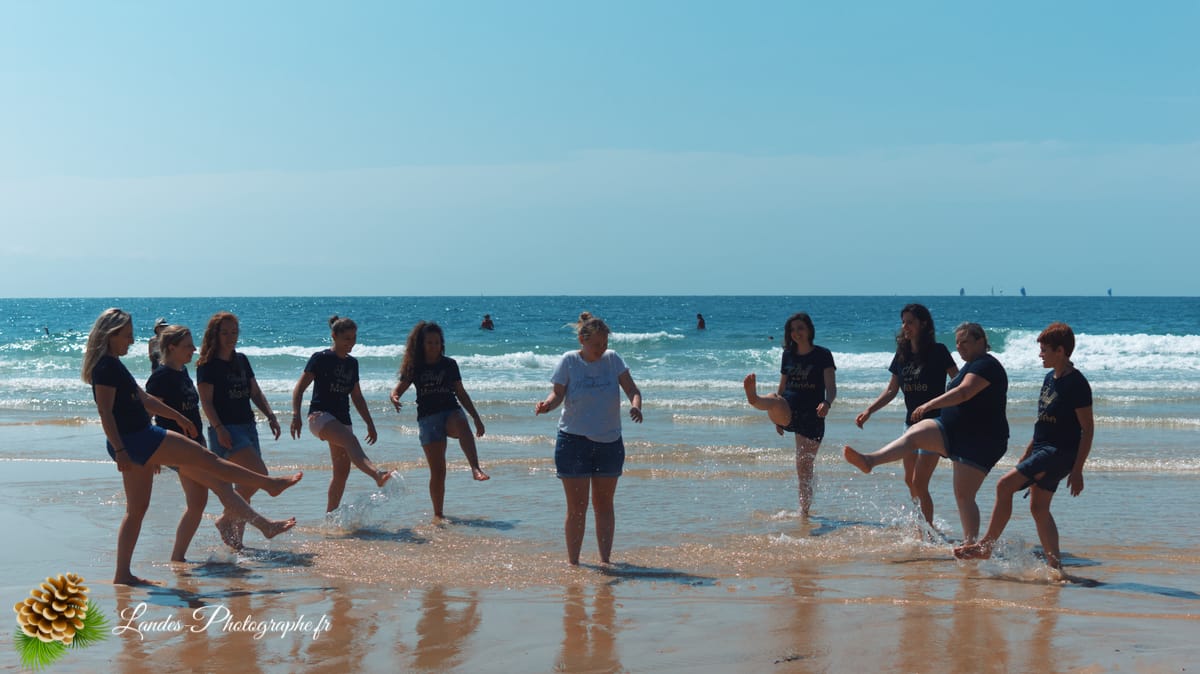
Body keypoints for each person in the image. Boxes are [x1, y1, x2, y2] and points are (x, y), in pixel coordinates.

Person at [82, 309, 301, 585]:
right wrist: (120, 450)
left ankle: (123, 575)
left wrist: (179, 417)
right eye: (127, 335)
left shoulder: (113, 364)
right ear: (111, 335)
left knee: (137, 510)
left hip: (136, 440)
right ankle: (269, 485)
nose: (132, 340)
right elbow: (105, 412)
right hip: (139, 438)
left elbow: (145, 400)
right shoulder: (106, 367)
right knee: (209, 461)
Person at [844, 322, 1008, 544]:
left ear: (981, 341)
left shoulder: (986, 365)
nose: (960, 347)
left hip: (980, 440)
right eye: (957, 343)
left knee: (963, 495)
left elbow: (964, 392)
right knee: (915, 434)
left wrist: (930, 404)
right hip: (953, 431)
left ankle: (970, 545)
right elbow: (894, 388)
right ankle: (870, 460)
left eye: (965, 342)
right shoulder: (970, 366)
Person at [954, 322, 1094, 569]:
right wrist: (1027, 454)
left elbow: (1088, 429)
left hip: (1059, 452)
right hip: (1043, 449)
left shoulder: (1077, 384)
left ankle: (986, 546)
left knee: (1004, 485)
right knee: (1039, 508)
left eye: (1044, 350)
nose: (1040, 355)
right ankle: (1055, 568)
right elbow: (1043, 423)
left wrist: (1078, 470)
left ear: (1060, 351)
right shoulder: (1049, 378)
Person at [535, 312, 643, 565]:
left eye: (605, 343)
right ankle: (574, 563)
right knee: (577, 507)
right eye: (597, 345)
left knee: (604, 505)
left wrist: (636, 406)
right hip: (573, 442)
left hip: (609, 443)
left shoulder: (613, 359)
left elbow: (632, 389)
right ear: (582, 340)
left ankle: (605, 562)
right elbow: (557, 394)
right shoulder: (569, 360)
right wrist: (547, 405)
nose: (602, 349)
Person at [855, 304, 959, 526]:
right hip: (910, 425)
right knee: (909, 481)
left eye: (910, 322)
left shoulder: (938, 351)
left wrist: (957, 411)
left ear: (923, 323)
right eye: (903, 322)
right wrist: (869, 410)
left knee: (919, 483)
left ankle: (926, 533)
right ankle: (921, 523)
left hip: (934, 425)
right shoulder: (902, 354)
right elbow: (891, 390)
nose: (905, 326)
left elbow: (958, 382)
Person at [196, 311, 283, 549]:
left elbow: (255, 392)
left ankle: (237, 546)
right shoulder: (207, 365)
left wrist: (271, 416)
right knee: (259, 474)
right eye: (224, 333)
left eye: (234, 332)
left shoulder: (241, 360)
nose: (230, 337)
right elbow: (206, 402)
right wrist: (219, 428)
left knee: (244, 486)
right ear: (215, 335)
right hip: (226, 429)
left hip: (248, 426)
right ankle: (226, 519)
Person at [291, 315, 392, 512]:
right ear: (334, 336)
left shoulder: (352, 364)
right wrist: (296, 415)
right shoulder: (320, 358)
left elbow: (357, 397)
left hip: (342, 420)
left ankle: (330, 516)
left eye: (354, 338)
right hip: (320, 416)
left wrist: (370, 423)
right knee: (351, 440)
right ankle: (377, 475)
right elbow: (299, 389)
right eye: (346, 338)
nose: (351, 343)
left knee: (341, 473)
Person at [391, 321, 490, 520]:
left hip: (450, 412)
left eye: (437, 342)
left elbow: (461, 392)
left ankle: (475, 467)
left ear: (441, 344)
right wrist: (394, 396)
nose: (434, 346)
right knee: (438, 471)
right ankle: (438, 515)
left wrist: (476, 417)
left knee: (462, 423)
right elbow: (399, 389)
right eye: (429, 342)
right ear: (421, 344)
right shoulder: (415, 366)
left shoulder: (449, 364)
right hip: (428, 419)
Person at [742, 312, 836, 517]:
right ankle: (755, 399)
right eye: (792, 330)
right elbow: (782, 387)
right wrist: (776, 415)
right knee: (774, 398)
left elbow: (831, 388)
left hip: (813, 416)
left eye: (800, 328)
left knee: (804, 467)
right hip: (788, 408)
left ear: (809, 329)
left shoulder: (823, 355)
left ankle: (804, 512)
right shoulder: (788, 355)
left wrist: (827, 403)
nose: (796, 333)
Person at [145, 325, 209, 560]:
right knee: (220, 486)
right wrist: (153, 453)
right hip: (175, 447)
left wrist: (201, 439)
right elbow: (147, 414)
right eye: (188, 346)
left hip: (194, 443)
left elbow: (191, 409)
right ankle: (263, 525)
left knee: (198, 502)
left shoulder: (182, 371)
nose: (194, 349)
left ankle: (178, 557)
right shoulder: (160, 377)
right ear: (172, 348)